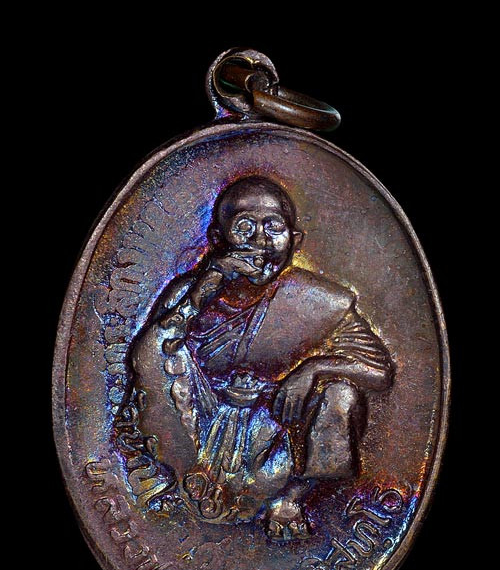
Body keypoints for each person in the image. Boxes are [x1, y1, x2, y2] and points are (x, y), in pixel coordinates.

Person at [121, 176, 394, 541]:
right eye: (245, 228)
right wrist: (208, 284)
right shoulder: (191, 291)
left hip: (273, 432)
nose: (260, 241)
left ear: (295, 241)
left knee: (341, 393)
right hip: (196, 427)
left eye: (274, 228)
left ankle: (291, 500)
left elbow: (379, 371)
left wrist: (313, 369)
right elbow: (150, 354)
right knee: (162, 346)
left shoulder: (319, 301)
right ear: (217, 240)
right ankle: (168, 477)